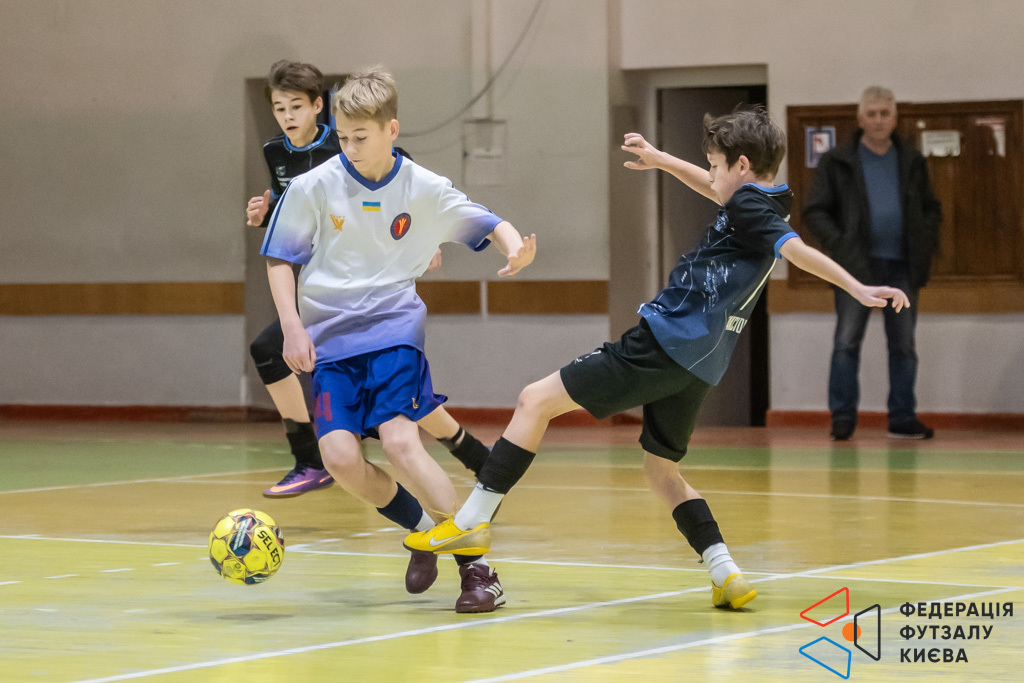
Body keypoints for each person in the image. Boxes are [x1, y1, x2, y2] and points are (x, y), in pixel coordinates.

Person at [405, 106, 909, 610]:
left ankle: (471, 521)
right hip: (701, 367)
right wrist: (662, 159)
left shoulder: (749, 206)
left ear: (740, 165)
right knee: (662, 472)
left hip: (664, 344)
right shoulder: (766, 199)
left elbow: (794, 249)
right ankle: (726, 572)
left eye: (715, 165)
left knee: (534, 400)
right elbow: (715, 190)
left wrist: (856, 287)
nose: (710, 175)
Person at [261, 66, 536, 612]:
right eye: (343, 137)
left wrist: (514, 249)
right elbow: (279, 258)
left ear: (392, 130)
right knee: (339, 458)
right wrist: (291, 326)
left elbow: (487, 221)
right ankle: (422, 530)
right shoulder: (314, 186)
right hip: (330, 341)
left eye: (361, 137)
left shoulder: (423, 187)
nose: (350, 148)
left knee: (401, 444)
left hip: (393, 330)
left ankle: (478, 569)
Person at [246, 60, 492, 498]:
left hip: (374, 283)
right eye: (279, 108)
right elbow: (294, 214)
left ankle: (315, 458)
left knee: (394, 398)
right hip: (328, 286)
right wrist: (268, 214)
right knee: (274, 350)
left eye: (296, 106)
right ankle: (467, 451)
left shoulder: (342, 145)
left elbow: (401, 176)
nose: (287, 116)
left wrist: (426, 234)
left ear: (318, 107)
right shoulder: (276, 152)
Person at [803, 86, 941, 441]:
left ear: (895, 119)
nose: (878, 120)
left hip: (902, 268)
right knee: (847, 342)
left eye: (885, 113)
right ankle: (843, 417)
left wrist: (924, 239)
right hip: (855, 269)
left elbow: (931, 208)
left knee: (904, 346)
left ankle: (902, 417)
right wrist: (841, 245)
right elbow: (815, 211)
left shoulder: (912, 160)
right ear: (860, 118)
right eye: (872, 113)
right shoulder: (838, 161)